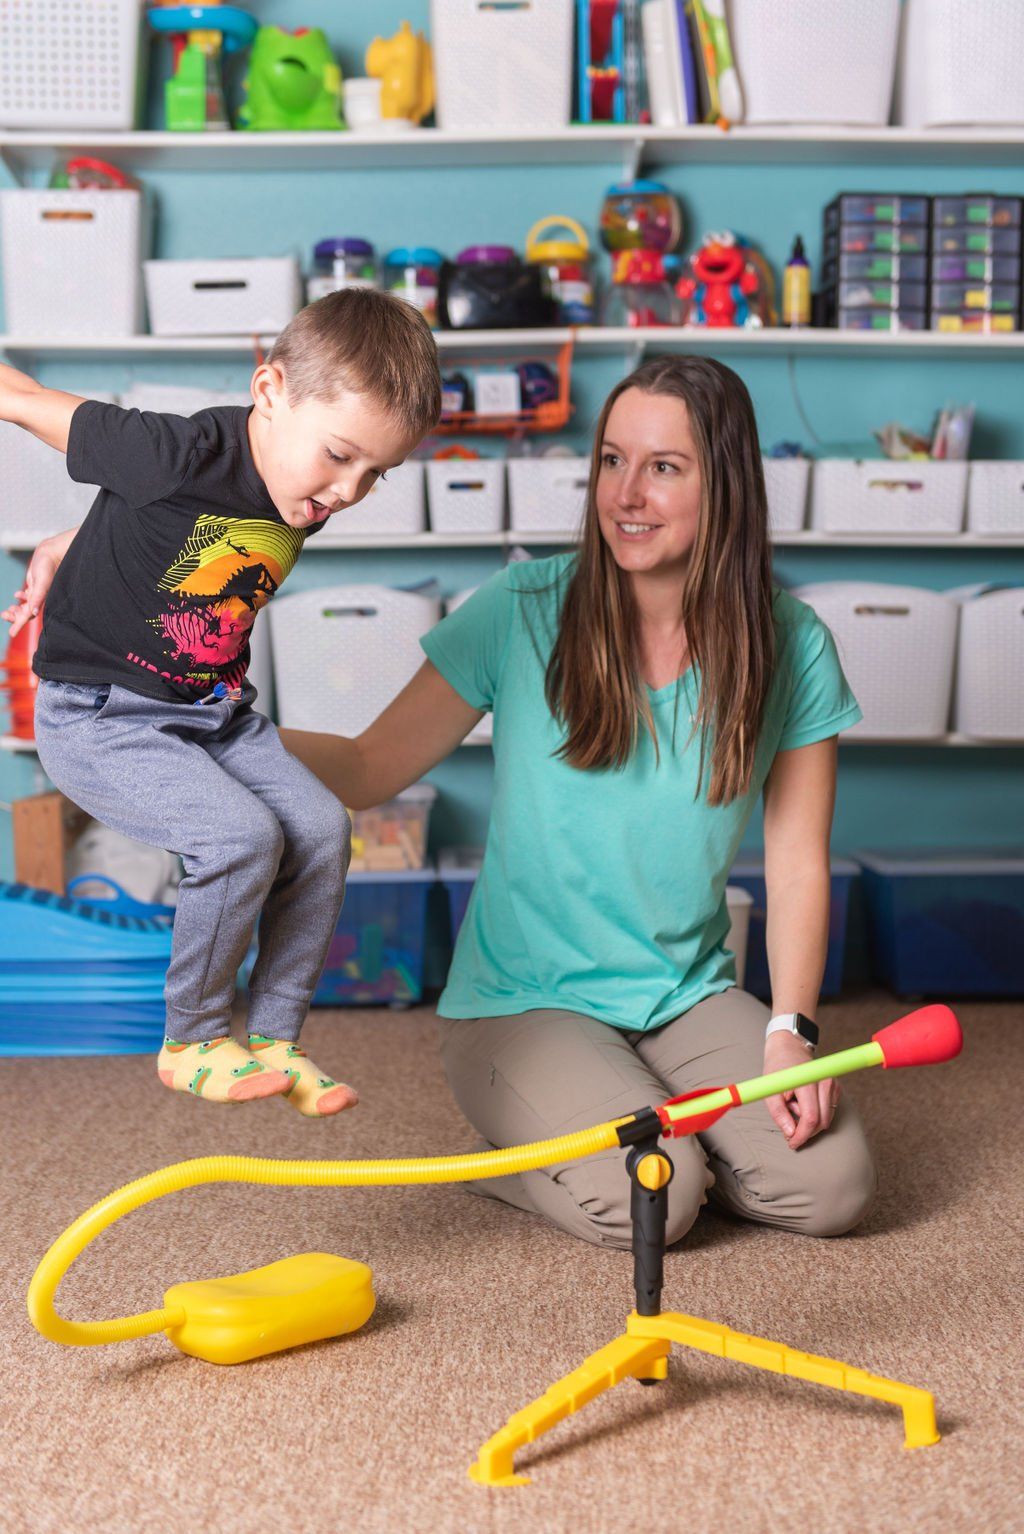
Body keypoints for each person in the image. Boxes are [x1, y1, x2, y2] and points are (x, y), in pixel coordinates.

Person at [281, 355, 877, 1244]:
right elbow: (369, 767)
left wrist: (791, 1030)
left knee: (832, 1190)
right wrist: (211, 731)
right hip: (522, 1003)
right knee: (658, 1197)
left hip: (684, 996)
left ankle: (635, 1121)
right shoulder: (523, 608)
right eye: (610, 461)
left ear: (729, 488)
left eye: (664, 467)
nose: (626, 494)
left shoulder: (790, 644)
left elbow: (795, 865)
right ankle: (542, 1153)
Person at [1, 289, 441, 1114]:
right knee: (238, 838)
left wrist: (70, 545)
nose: (348, 492)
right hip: (101, 714)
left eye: (376, 474)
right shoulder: (171, 450)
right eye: (341, 456)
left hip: (213, 712)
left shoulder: (300, 481)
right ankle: (194, 1038)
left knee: (318, 829)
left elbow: (152, 530)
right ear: (270, 392)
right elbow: (21, 400)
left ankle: (274, 1039)